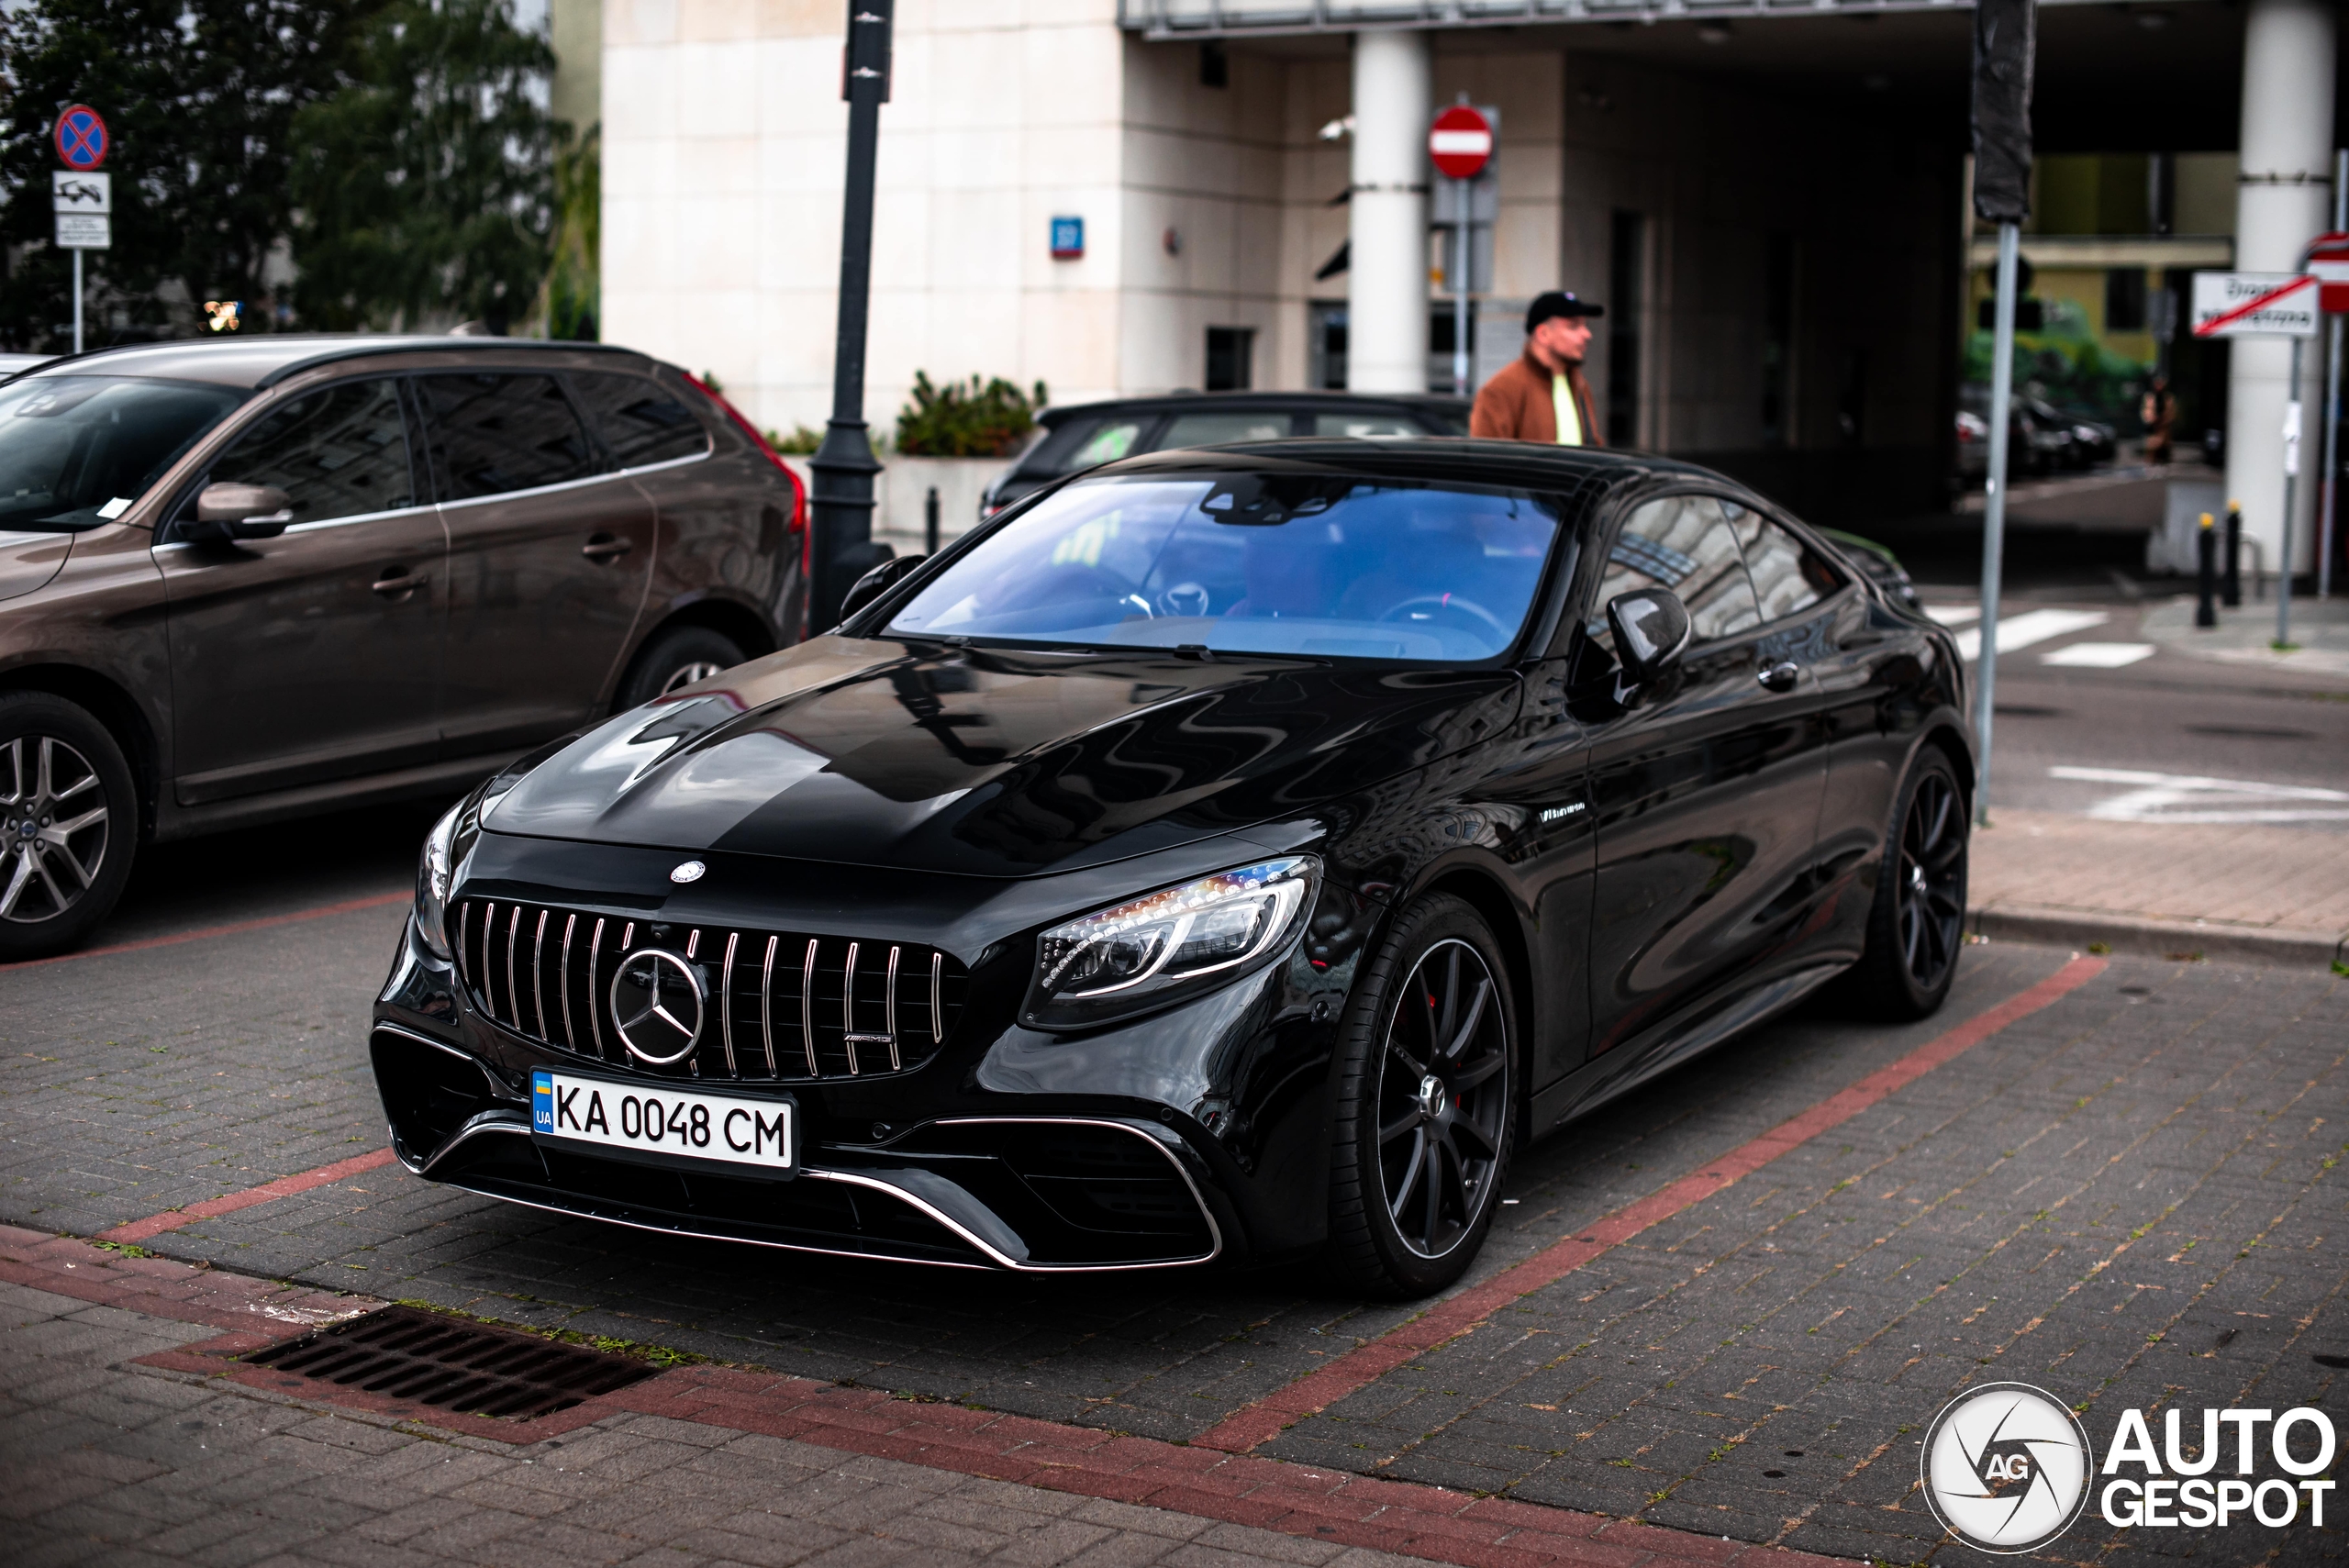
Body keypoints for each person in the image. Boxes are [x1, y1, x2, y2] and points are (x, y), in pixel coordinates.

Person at [1470, 291, 1606, 446]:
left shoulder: (1579, 385)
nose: (1587, 334)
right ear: (1543, 334)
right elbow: (1487, 460)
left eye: (1585, 326)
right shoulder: (1502, 389)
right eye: (1573, 326)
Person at [2141, 373, 2177, 465]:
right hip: (2153, 427)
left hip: (2164, 427)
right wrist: (2152, 419)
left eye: (2161, 384)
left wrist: (2165, 420)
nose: (2159, 386)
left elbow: (2172, 413)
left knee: (2163, 448)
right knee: (2152, 447)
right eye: (2158, 384)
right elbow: (2146, 411)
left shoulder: (2168, 398)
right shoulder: (2150, 397)